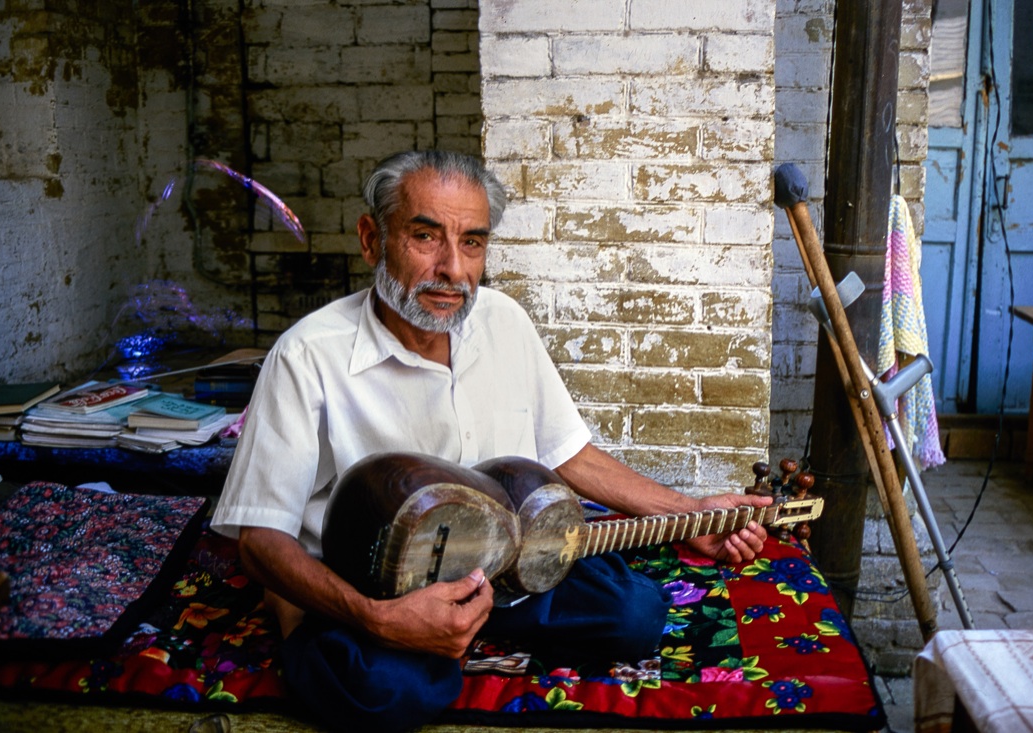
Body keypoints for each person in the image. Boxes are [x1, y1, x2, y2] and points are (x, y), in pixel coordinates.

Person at [210, 150, 771, 732]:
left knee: (637, 616)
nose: (453, 268)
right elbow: (260, 538)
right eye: (426, 237)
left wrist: (692, 511)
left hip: (500, 565)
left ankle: (462, 630)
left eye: (473, 243)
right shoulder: (307, 355)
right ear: (372, 240)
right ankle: (328, 626)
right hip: (374, 584)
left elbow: (567, 452)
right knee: (386, 693)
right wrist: (378, 620)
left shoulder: (503, 321)